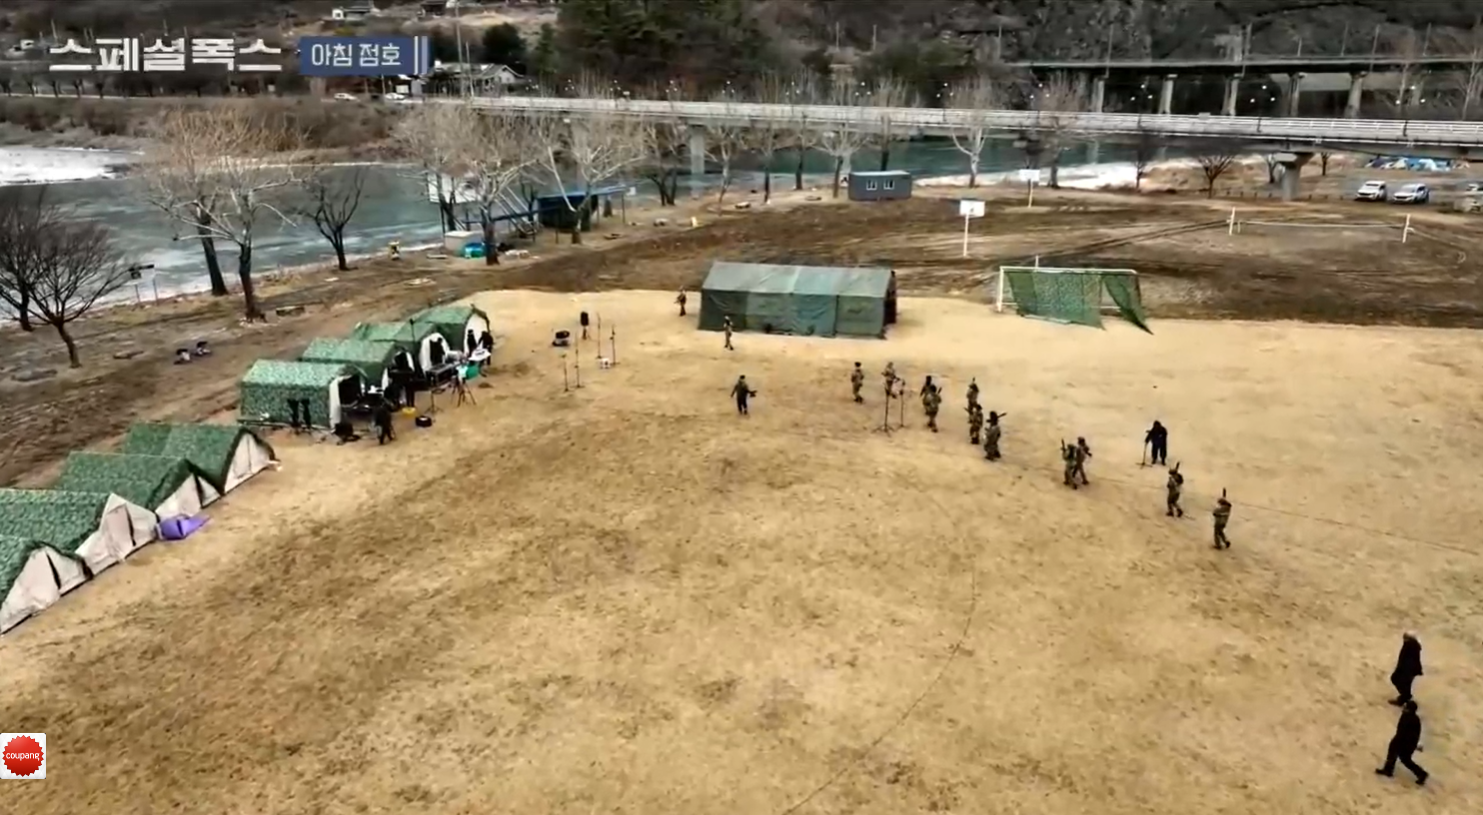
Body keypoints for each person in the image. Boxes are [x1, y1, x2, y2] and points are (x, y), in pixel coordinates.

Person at [1375, 700, 1428, 785]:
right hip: (1404, 740)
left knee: (1404, 758)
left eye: (1406, 707)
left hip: (1405, 742)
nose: (1404, 708)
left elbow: (1407, 733)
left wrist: (1402, 743)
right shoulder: (1409, 716)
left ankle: (1421, 774)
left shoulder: (1410, 719)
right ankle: (1389, 769)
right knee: (1397, 755)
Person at [1390, 632, 1424, 707]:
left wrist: (1401, 669)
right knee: (1404, 684)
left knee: (1397, 680)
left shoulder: (1410, 646)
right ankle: (1405, 698)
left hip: (1407, 670)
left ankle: (1405, 698)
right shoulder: (1412, 646)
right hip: (1409, 669)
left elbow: (1406, 660)